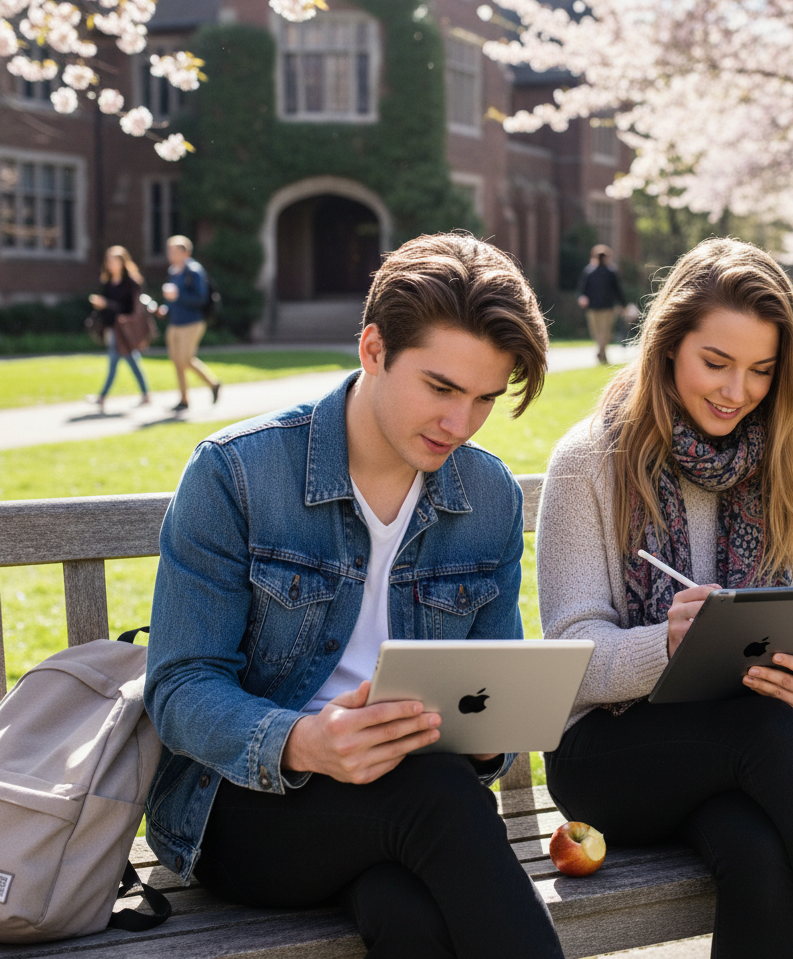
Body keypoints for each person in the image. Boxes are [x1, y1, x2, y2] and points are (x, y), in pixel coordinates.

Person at [143, 233, 565, 959]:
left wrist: (489, 733)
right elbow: (179, 687)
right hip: (246, 806)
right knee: (439, 799)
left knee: (405, 914)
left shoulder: (488, 494)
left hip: (408, 807)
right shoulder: (236, 474)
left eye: (484, 399)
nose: (458, 425)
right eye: (440, 388)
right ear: (373, 349)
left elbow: (492, 685)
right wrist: (305, 742)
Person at [537, 238, 793, 959]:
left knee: (760, 850)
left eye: (762, 371)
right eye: (716, 363)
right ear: (668, 346)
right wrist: (669, 645)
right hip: (607, 758)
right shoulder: (591, 460)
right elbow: (569, 661)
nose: (737, 391)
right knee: (760, 733)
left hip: (733, 758)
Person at [159, 235, 221, 412]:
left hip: (192, 322)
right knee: (177, 361)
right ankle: (184, 399)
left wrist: (177, 296)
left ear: (186, 252)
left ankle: (213, 384)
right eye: (169, 250)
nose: (171, 254)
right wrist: (166, 308)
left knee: (186, 360)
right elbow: (173, 300)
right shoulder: (173, 271)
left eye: (174, 251)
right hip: (175, 322)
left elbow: (200, 299)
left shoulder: (194, 270)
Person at [87, 245, 151, 411]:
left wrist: (107, 303)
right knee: (132, 360)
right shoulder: (107, 282)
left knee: (114, 360)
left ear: (123, 262)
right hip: (111, 326)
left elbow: (132, 309)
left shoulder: (131, 282)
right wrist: (101, 305)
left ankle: (102, 397)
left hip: (125, 329)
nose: (111, 264)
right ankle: (146, 394)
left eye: (115, 261)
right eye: (109, 261)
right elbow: (108, 306)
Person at [578, 243, 627, 363]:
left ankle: (601, 352)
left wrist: (582, 297)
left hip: (600, 307)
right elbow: (618, 291)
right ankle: (602, 352)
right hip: (604, 307)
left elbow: (582, 290)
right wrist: (623, 305)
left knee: (599, 332)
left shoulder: (606, 272)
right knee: (603, 332)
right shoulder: (592, 272)